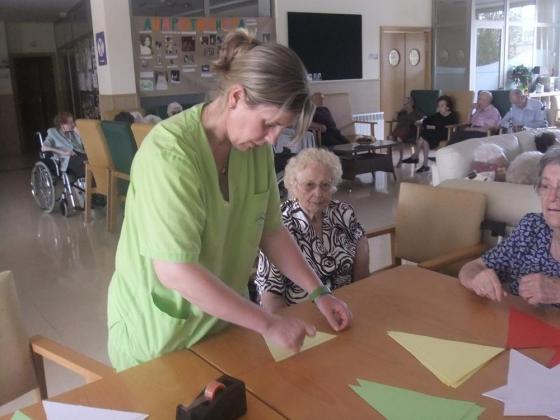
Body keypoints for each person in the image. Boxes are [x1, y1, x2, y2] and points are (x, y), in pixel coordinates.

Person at [107, 30, 353, 371]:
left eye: (279, 128)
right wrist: (268, 323)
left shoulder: (254, 149)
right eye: (268, 124)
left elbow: (271, 231)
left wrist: (319, 293)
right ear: (236, 97)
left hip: (224, 325)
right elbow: (176, 270)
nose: (272, 139)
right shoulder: (170, 155)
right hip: (160, 338)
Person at [255, 148, 369, 310]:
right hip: (300, 311)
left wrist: (362, 250)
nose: (318, 193)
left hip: (345, 305)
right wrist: (290, 323)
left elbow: (360, 240)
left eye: (325, 185)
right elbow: (270, 295)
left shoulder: (343, 213)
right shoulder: (280, 225)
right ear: (293, 187)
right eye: (309, 185)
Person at [458, 148, 560, 305]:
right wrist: (476, 279)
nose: (552, 197)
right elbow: (472, 267)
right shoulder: (533, 227)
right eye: (546, 186)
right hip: (514, 317)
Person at [402, 95, 458, 173]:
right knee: (425, 137)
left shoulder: (452, 115)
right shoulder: (437, 115)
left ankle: (416, 157)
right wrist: (425, 123)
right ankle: (424, 164)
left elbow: (448, 126)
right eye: (439, 106)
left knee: (424, 136)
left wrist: (434, 127)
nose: (440, 107)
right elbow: (426, 120)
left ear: (448, 107)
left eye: (442, 105)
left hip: (445, 134)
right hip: (434, 134)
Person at [41, 112, 86, 178]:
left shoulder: (72, 132)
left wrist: (77, 130)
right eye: (70, 122)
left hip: (79, 154)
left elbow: (85, 140)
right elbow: (44, 147)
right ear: (62, 124)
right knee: (84, 163)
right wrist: (63, 152)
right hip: (66, 158)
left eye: (73, 122)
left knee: (92, 160)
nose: (73, 124)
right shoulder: (52, 132)